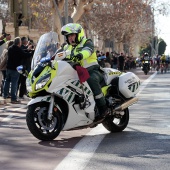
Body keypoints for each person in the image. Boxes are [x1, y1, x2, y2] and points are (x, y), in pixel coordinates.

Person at [61, 23, 110, 120]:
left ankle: (103, 107)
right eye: (68, 36)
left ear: (78, 34)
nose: (70, 38)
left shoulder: (87, 42)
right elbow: (59, 55)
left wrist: (80, 55)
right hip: (75, 73)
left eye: (72, 35)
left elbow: (87, 51)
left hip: (91, 70)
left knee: (91, 79)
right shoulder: (67, 47)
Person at [3, 37, 33, 104]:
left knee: (7, 81)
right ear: (19, 43)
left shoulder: (10, 48)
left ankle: (5, 95)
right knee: (14, 83)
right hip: (15, 69)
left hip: (8, 68)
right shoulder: (18, 49)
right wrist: (32, 52)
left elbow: (22, 51)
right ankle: (13, 98)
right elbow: (24, 55)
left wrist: (27, 49)